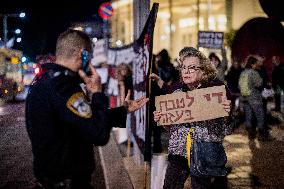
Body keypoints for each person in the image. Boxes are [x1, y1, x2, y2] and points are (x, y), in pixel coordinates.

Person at [25, 29, 148, 189]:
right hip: (68, 183)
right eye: (89, 56)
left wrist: (123, 111)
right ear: (81, 54)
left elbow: (82, 120)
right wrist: (97, 93)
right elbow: (98, 133)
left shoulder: (44, 80)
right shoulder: (64, 87)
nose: (89, 60)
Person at [153, 47, 232, 189]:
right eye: (183, 68)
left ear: (203, 70)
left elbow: (224, 128)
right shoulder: (176, 93)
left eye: (191, 68)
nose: (186, 71)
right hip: (178, 153)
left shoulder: (214, 92)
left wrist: (226, 114)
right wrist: (163, 119)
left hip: (204, 152)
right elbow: (171, 128)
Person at [238, 56, 267, 141]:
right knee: (260, 115)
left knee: (248, 116)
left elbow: (239, 86)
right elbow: (259, 83)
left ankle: (250, 135)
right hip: (254, 97)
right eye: (256, 63)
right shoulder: (253, 72)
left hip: (244, 97)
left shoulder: (243, 73)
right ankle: (261, 135)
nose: (257, 65)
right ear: (252, 64)